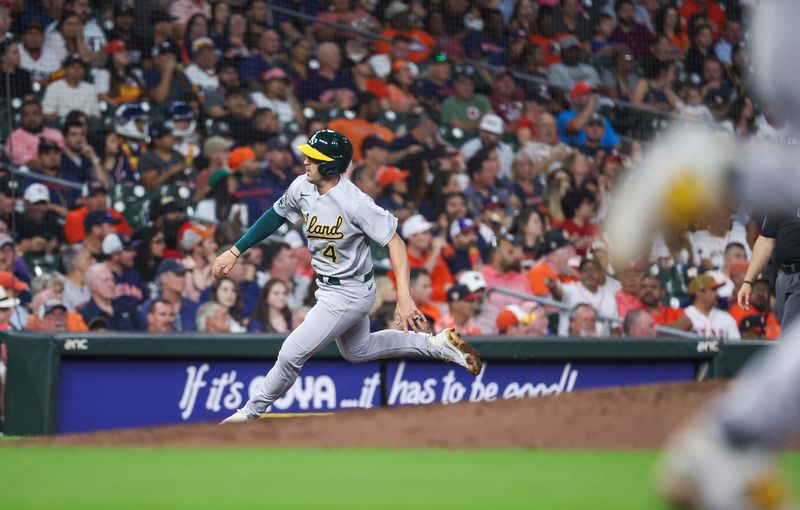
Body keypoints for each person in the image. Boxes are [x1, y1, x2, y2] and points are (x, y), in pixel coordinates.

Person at [213, 129, 482, 423]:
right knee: (358, 350)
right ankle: (436, 345)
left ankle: (249, 414)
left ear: (330, 165)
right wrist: (236, 250)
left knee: (291, 354)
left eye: (314, 158)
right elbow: (276, 215)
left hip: (348, 292)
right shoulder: (302, 186)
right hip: (331, 287)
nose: (305, 161)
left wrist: (404, 298)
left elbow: (395, 242)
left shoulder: (354, 201)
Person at [739, 212, 800, 328]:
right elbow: (766, 241)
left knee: (791, 334)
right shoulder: (782, 199)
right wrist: (748, 282)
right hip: (783, 276)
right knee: (785, 328)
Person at [78, 263, 145, 331]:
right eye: (105, 280)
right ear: (91, 286)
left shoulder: (127, 307)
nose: (111, 284)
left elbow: (143, 334)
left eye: (112, 280)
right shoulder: (84, 314)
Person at [141, 259, 198, 333]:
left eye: (184, 275)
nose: (183, 279)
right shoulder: (149, 306)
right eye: (178, 275)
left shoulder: (195, 307)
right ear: (164, 278)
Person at [684, 274, 740, 340]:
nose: (717, 294)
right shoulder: (685, 315)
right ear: (699, 293)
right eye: (713, 290)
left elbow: (736, 347)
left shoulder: (726, 318)